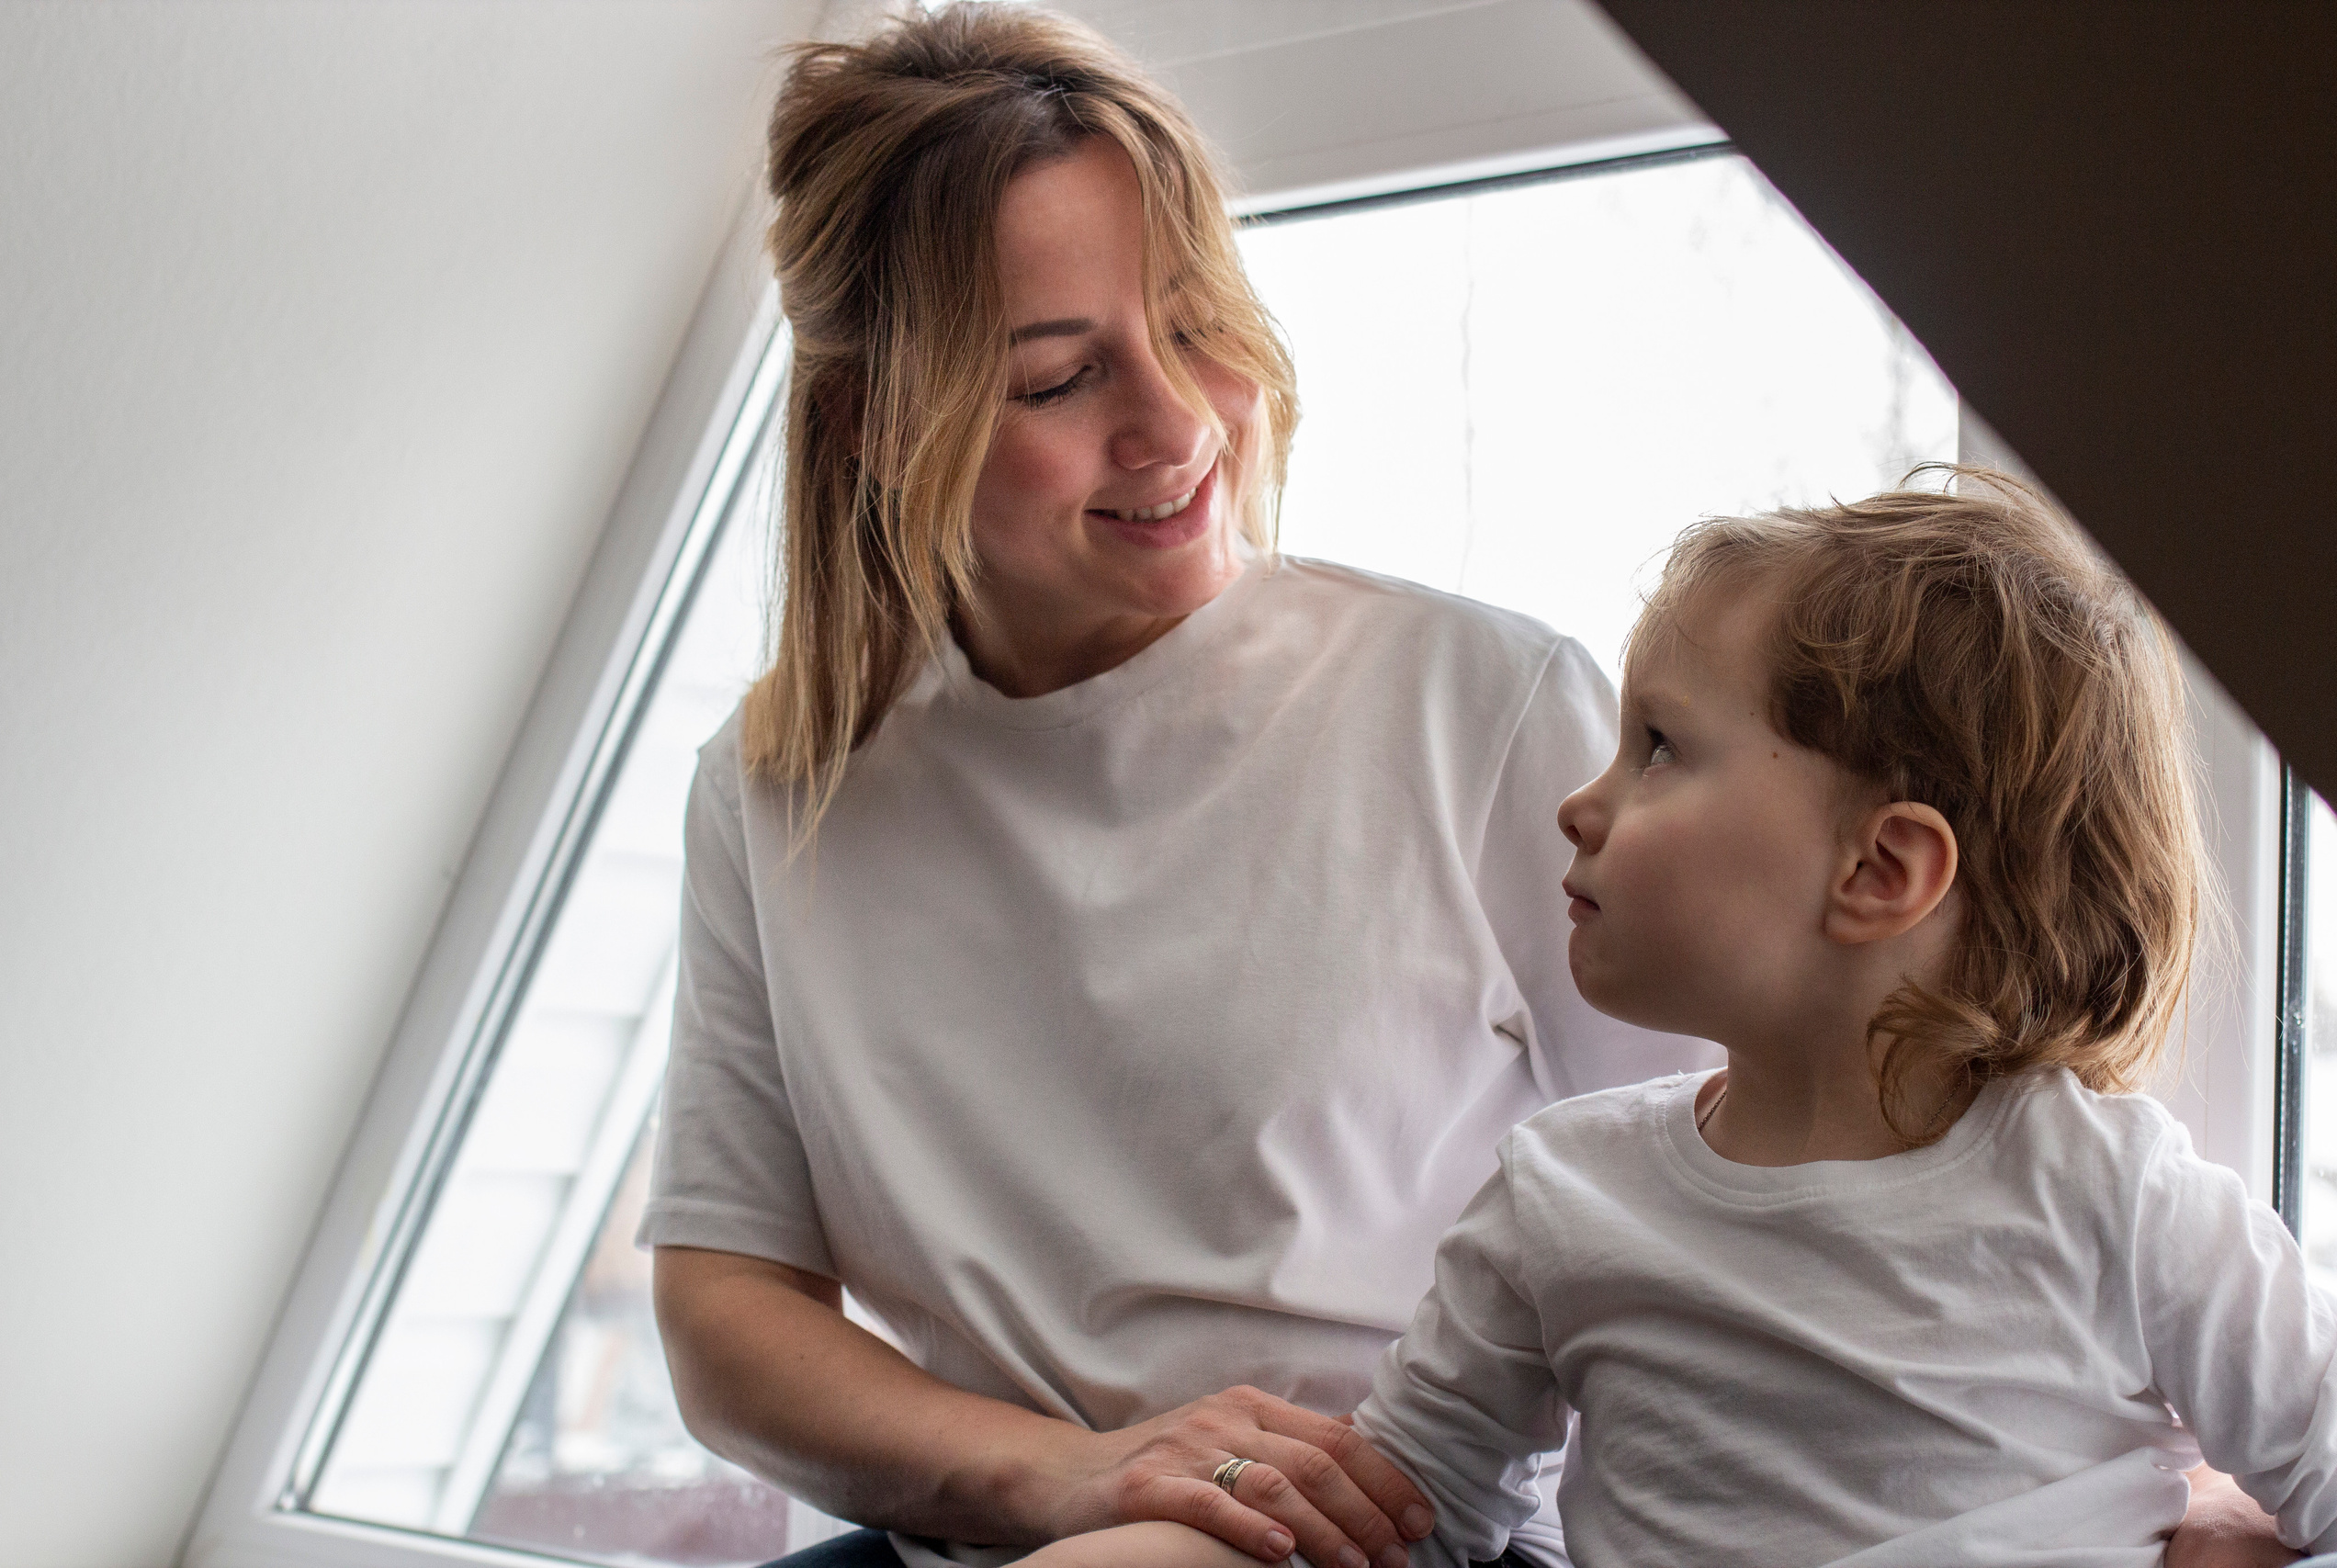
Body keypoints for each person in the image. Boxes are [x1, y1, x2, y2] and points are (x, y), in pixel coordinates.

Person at [639, 5, 2286, 1565]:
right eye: (1062, 378)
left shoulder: (1471, 703)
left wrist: (2091, 1486)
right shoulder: (774, 793)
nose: (1179, 422)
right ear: (867, 419)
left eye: (1198, 320)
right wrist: (1066, 1475)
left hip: (1379, 1534)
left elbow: (1801, 1183)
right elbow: (729, 1310)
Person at [1010, 474, 2337, 1568]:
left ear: (1879, 872)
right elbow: (1391, 1520)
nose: (1581, 805)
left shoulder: (2114, 1192)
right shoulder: (1564, 1198)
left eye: (1657, 745)